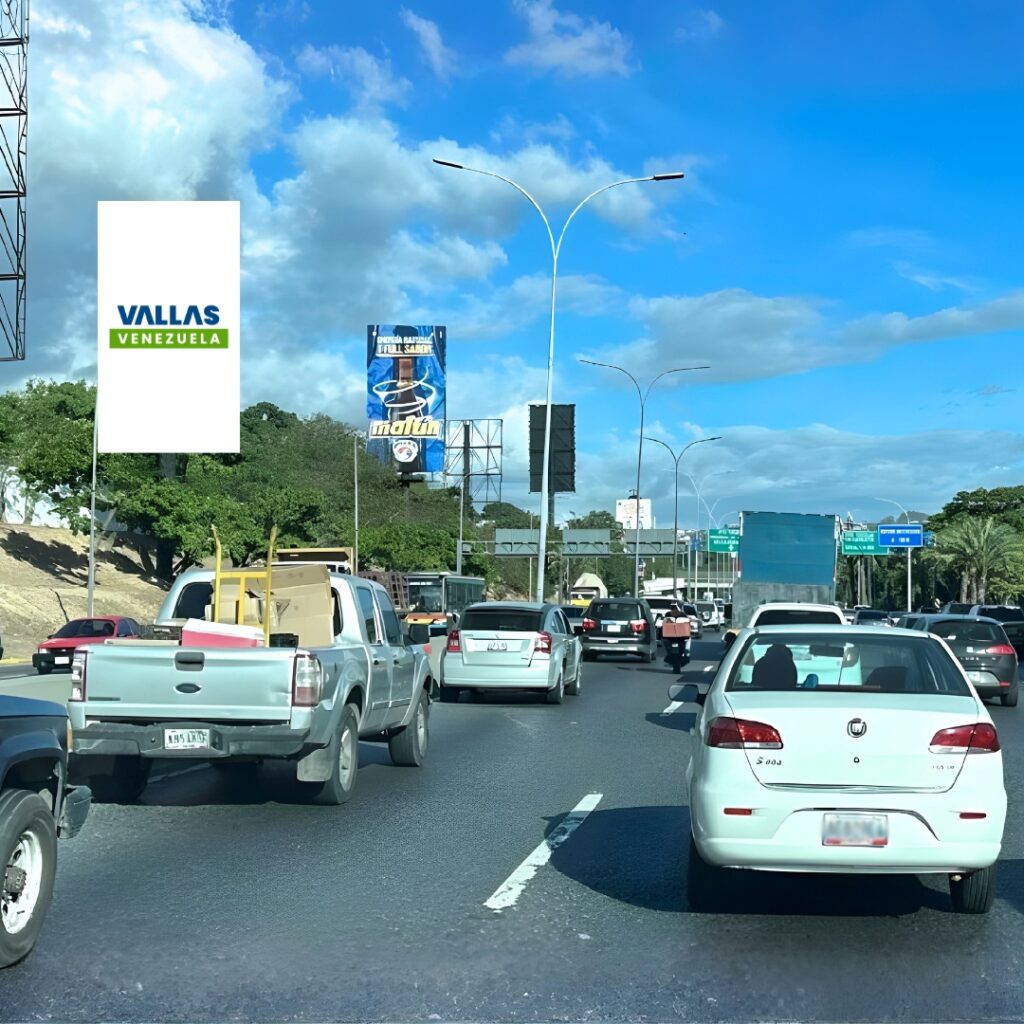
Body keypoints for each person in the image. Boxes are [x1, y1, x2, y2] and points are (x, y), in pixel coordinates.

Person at [661, 603, 691, 674]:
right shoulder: (669, 615)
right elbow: (664, 624)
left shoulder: (681, 615)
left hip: (678, 638)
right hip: (673, 638)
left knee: (685, 648)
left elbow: (687, 624)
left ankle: (682, 657)